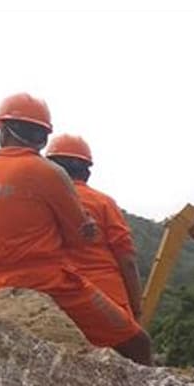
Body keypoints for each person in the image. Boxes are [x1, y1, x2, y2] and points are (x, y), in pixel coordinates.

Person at [0, 93, 152, 365]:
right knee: (139, 344)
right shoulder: (51, 176)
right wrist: (137, 309)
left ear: (3, 129)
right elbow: (85, 237)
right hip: (50, 282)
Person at [45, 134, 143, 317]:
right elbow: (127, 261)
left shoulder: (40, 202)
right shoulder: (104, 203)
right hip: (107, 300)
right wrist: (137, 309)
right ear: (86, 171)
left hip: (58, 302)